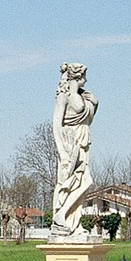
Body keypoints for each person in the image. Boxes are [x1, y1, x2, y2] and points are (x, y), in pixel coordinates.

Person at [50, 63, 98, 239]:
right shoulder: (64, 95)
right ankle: (61, 215)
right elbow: (56, 123)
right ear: (77, 77)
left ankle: (73, 224)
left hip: (83, 141)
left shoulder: (82, 96)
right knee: (76, 182)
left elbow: (87, 120)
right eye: (84, 76)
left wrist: (94, 103)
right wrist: (62, 152)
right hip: (70, 142)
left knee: (82, 183)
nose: (86, 80)